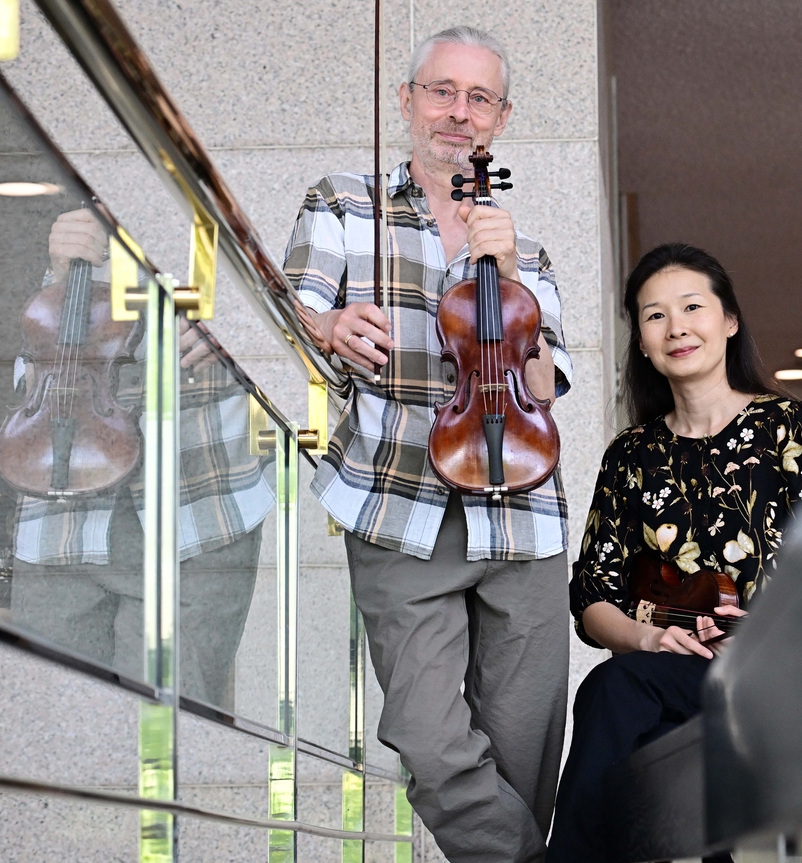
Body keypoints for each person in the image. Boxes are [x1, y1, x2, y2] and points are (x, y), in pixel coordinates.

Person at [284, 26, 572, 863]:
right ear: (406, 101)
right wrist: (329, 323)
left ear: (502, 119)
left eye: (479, 98)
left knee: (522, 751)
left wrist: (510, 272)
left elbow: (546, 388)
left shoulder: (529, 252)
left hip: (520, 518)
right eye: (442, 91)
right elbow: (288, 310)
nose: (458, 112)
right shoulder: (343, 205)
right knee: (426, 734)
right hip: (397, 505)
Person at [547, 243, 802, 861]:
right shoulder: (631, 453)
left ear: (729, 321)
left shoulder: (789, 427)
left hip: (779, 675)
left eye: (692, 307)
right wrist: (651, 639)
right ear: (643, 344)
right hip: (680, 675)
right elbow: (593, 597)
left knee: (620, 703)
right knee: (633, 706)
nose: (676, 327)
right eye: (654, 316)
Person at [5, 208, 273, 707]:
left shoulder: (233, 198)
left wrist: (242, 321)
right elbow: (28, 387)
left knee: (169, 736)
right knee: (56, 730)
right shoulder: (76, 219)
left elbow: (302, 328)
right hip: (62, 513)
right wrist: (60, 277)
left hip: (197, 510)